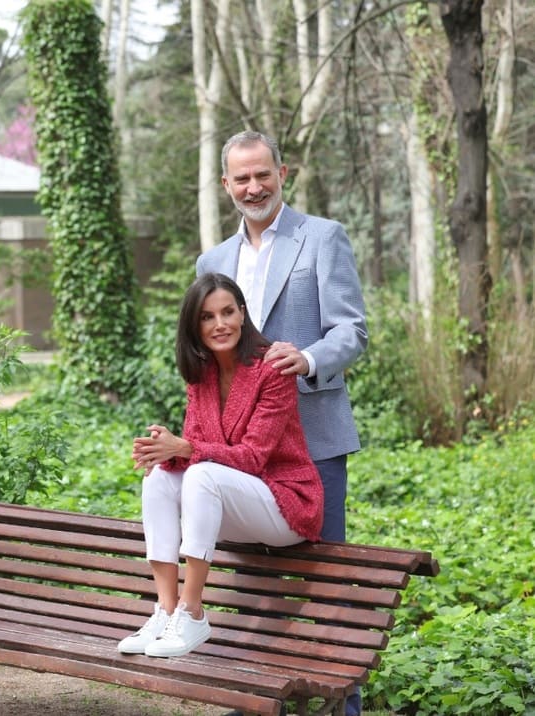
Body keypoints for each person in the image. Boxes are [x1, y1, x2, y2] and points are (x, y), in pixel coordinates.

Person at [199, 131, 367, 716]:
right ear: (226, 185)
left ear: (282, 172)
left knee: (329, 583)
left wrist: (311, 357)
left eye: (262, 174)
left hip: (315, 439)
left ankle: (342, 707)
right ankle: (255, 701)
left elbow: (352, 330)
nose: (253, 187)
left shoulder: (322, 238)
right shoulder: (212, 261)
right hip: (243, 449)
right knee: (253, 586)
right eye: (241, 178)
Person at [118, 272, 323, 660]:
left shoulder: (272, 368)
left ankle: (191, 611)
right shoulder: (202, 374)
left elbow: (252, 457)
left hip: (284, 504)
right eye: (208, 317)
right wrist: (165, 452)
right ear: (195, 326)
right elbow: (201, 447)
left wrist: (184, 447)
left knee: (200, 472)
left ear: (243, 314)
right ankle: (164, 609)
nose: (220, 324)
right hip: (229, 503)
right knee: (160, 480)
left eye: (228, 312)